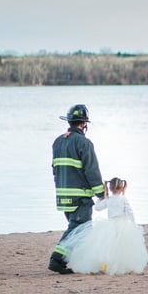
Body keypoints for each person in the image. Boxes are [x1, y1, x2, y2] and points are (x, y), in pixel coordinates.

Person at [48, 104, 106, 275]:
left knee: (82, 232)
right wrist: (101, 193)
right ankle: (57, 259)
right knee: (78, 229)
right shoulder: (84, 143)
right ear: (83, 124)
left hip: (63, 196)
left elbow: (54, 169)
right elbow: (91, 170)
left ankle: (85, 262)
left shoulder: (58, 141)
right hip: (80, 197)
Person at [60, 177, 148, 275]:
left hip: (110, 225)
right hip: (122, 225)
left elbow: (98, 208)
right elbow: (129, 212)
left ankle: (104, 266)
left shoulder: (109, 200)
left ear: (110, 188)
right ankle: (123, 266)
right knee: (122, 247)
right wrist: (132, 223)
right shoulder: (123, 199)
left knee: (106, 248)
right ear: (122, 188)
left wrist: (100, 199)